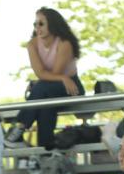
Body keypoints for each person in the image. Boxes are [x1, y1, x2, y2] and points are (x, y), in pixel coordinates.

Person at [6, 8, 83, 149]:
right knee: (45, 102)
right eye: (35, 24)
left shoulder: (64, 43)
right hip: (50, 86)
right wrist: (61, 78)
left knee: (41, 90)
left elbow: (54, 72)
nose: (37, 28)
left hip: (70, 85)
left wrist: (64, 79)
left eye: (41, 24)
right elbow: (40, 73)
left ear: (52, 24)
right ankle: (45, 146)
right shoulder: (32, 44)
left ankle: (19, 128)